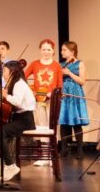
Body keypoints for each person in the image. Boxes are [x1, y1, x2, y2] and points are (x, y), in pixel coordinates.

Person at [0, 60, 36, 182]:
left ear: (12, 72)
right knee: (0, 134)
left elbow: (17, 101)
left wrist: (5, 95)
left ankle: (11, 165)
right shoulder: (14, 83)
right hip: (19, 117)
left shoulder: (19, 84)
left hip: (25, 120)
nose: (3, 73)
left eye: (5, 71)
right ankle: (3, 165)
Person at [24, 38, 63, 166]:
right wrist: (32, 91)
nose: (46, 52)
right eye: (44, 49)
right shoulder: (35, 64)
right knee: (41, 126)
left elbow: (60, 85)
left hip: (52, 100)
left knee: (52, 127)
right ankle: (43, 156)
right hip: (39, 100)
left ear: (53, 51)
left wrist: (54, 94)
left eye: (49, 49)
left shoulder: (56, 65)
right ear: (40, 50)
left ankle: (52, 156)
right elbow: (23, 77)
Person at [59, 41, 88, 159]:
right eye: (62, 50)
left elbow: (82, 81)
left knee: (76, 123)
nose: (62, 52)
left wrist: (69, 73)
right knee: (64, 122)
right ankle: (64, 148)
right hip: (64, 94)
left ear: (72, 51)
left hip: (75, 94)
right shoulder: (61, 65)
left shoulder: (79, 64)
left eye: (64, 50)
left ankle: (80, 150)